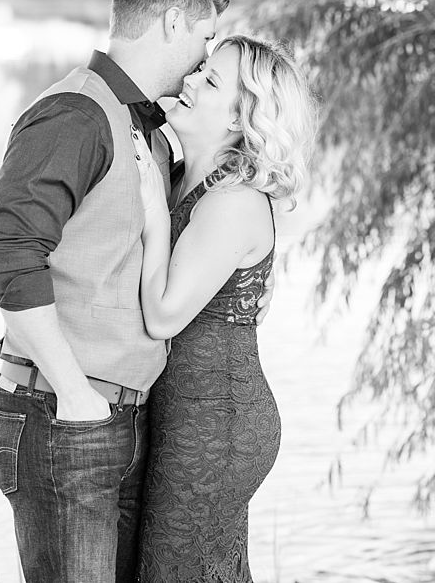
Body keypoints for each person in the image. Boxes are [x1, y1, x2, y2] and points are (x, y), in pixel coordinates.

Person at [0, 0, 237, 583]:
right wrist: (74, 393)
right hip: (65, 417)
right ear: (174, 22)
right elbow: (10, 255)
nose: (208, 58)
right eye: (206, 39)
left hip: (119, 417)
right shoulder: (77, 113)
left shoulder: (147, 128)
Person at [135, 35, 317, 582]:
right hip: (189, 416)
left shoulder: (232, 200)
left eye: (209, 81)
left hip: (218, 424)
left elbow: (164, 315)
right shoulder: (179, 175)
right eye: (198, 71)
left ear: (242, 117)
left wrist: (155, 217)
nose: (189, 82)